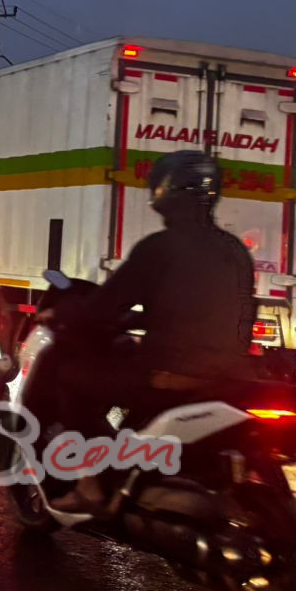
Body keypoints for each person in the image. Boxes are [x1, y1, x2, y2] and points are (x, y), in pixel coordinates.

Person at [43, 150, 258, 512]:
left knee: (71, 379)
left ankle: (90, 484)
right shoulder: (235, 250)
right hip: (231, 375)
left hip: (171, 374)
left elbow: (103, 307)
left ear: (167, 190)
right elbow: (205, 310)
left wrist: (63, 313)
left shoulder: (158, 248)